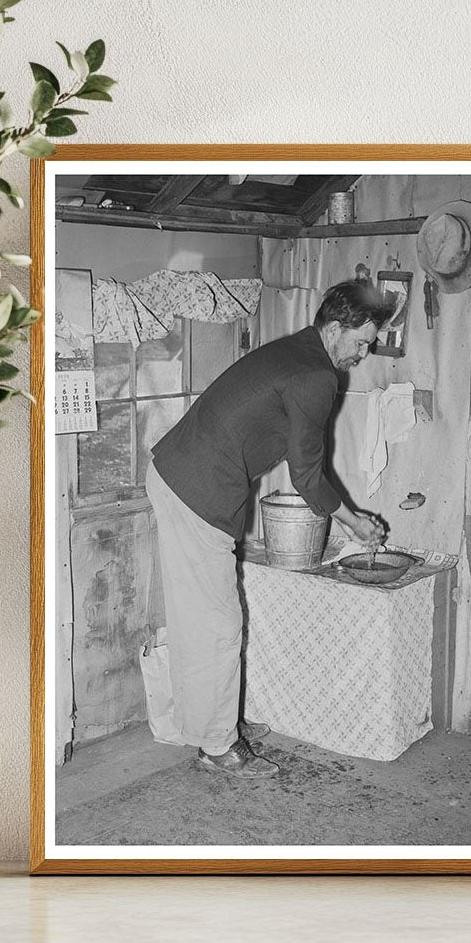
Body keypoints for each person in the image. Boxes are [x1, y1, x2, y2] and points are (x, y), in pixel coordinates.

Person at [145, 280, 391, 779]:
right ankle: (217, 748)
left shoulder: (296, 348)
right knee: (218, 625)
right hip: (198, 490)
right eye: (360, 343)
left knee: (202, 621)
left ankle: (208, 727)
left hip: (178, 475)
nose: (362, 355)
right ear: (336, 327)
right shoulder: (316, 374)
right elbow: (306, 474)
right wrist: (354, 522)